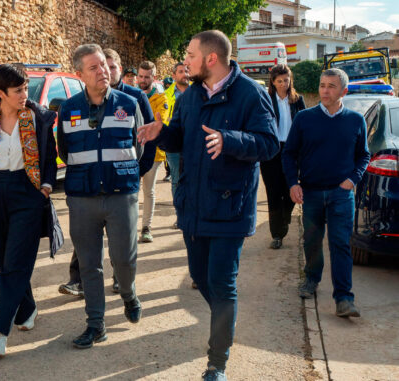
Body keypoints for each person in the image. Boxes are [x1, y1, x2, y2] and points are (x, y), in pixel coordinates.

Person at [138, 30, 279, 380]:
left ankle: (218, 360)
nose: (185, 60)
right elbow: (181, 137)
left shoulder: (251, 94)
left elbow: (269, 143)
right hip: (193, 206)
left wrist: (229, 139)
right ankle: (224, 322)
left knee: (222, 282)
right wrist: (161, 133)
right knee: (201, 278)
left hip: (230, 207)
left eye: (190, 54)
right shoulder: (191, 96)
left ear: (211, 59)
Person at [0, 64, 59, 357]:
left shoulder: (38, 117)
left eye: (26, 87)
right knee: (6, 261)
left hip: (27, 193)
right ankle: (27, 308)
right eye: (18, 90)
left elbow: (50, 157)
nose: (24, 94)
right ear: (0, 93)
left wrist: (44, 187)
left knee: (16, 261)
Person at [57, 44, 144, 349]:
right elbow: (64, 150)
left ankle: (129, 294)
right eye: (93, 68)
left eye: (104, 66)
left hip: (122, 196)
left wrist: (124, 175)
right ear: (79, 74)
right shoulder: (68, 109)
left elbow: (140, 150)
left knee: (123, 259)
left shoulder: (129, 103)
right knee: (89, 265)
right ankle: (96, 325)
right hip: (82, 198)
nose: (102, 71)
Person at [282, 68, 370, 318]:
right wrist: (292, 183)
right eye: (322, 85)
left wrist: (352, 180)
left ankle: (344, 298)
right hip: (310, 193)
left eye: (331, 86)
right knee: (311, 241)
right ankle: (311, 279)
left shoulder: (355, 120)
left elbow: (363, 155)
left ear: (344, 91)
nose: (325, 90)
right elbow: (289, 153)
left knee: (340, 244)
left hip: (341, 194)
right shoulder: (304, 119)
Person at [261, 64, 306, 249]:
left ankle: (286, 215)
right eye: (279, 81)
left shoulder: (297, 100)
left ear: (290, 80)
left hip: (292, 150)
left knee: (290, 189)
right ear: (273, 81)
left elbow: (304, 125)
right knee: (273, 193)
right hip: (271, 150)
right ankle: (277, 235)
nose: (283, 84)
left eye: (286, 80)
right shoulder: (267, 99)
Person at [137, 60, 171, 243]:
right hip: (133, 151)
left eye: (146, 77)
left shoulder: (161, 99)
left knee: (148, 190)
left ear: (154, 77)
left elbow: (159, 124)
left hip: (153, 153)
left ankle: (146, 227)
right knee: (132, 192)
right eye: (140, 76)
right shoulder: (131, 95)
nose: (142, 80)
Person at [165, 62, 190, 230]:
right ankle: (180, 215)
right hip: (174, 144)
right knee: (176, 180)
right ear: (174, 75)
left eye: (187, 70)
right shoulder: (165, 94)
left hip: (192, 142)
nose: (185, 74)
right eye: (181, 71)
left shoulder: (198, 91)